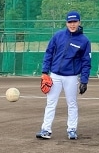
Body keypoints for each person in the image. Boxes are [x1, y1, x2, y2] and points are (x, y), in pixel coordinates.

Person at [36, 10, 92, 141]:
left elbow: (86, 62)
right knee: (50, 103)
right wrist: (45, 72)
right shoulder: (58, 36)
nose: (72, 25)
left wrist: (84, 80)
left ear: (79, 22)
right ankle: (46, 130)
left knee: (72, 103)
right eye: (70, 22)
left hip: (71, 76)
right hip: (55, 75)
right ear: (66, 23)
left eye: (75, 22)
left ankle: (72, 129)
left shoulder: (84, 41)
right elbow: (49, 53)